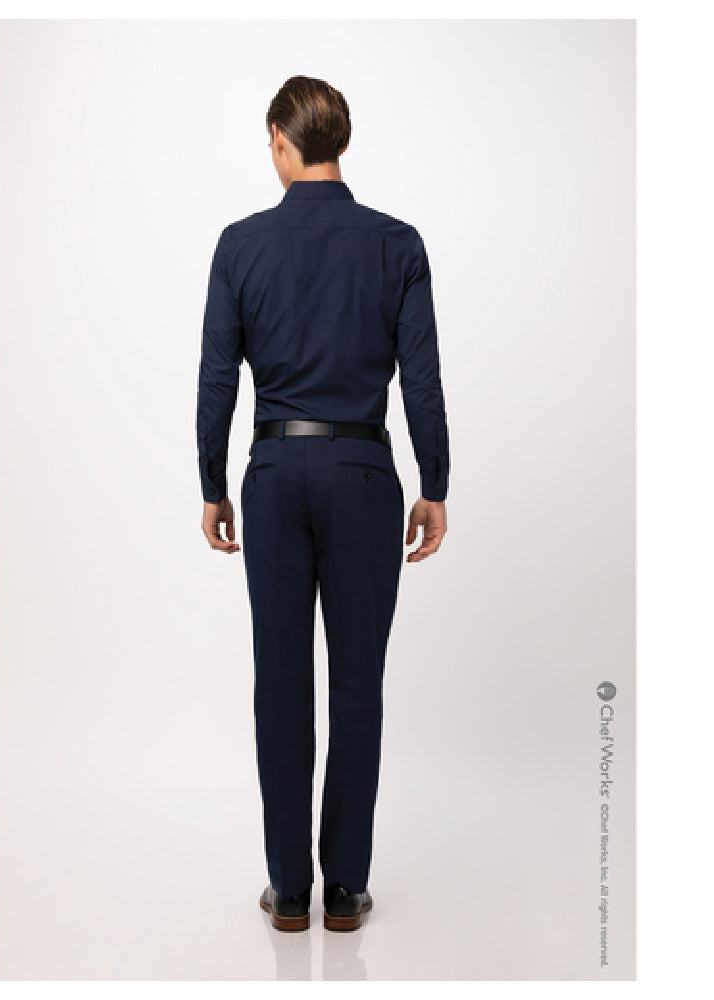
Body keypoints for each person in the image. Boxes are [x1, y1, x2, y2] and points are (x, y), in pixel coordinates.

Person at [195, 75, 450, 932]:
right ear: (339, 140)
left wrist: (211, 483)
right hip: (365, 476)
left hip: (273, 475)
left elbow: (216, 377)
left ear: (281, 139)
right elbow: (421, 379)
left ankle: (288, 889)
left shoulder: (240, 245)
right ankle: (345, 888)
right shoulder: (396, 244)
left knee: (280, 684)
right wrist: (436, 483)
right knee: (357, 684)